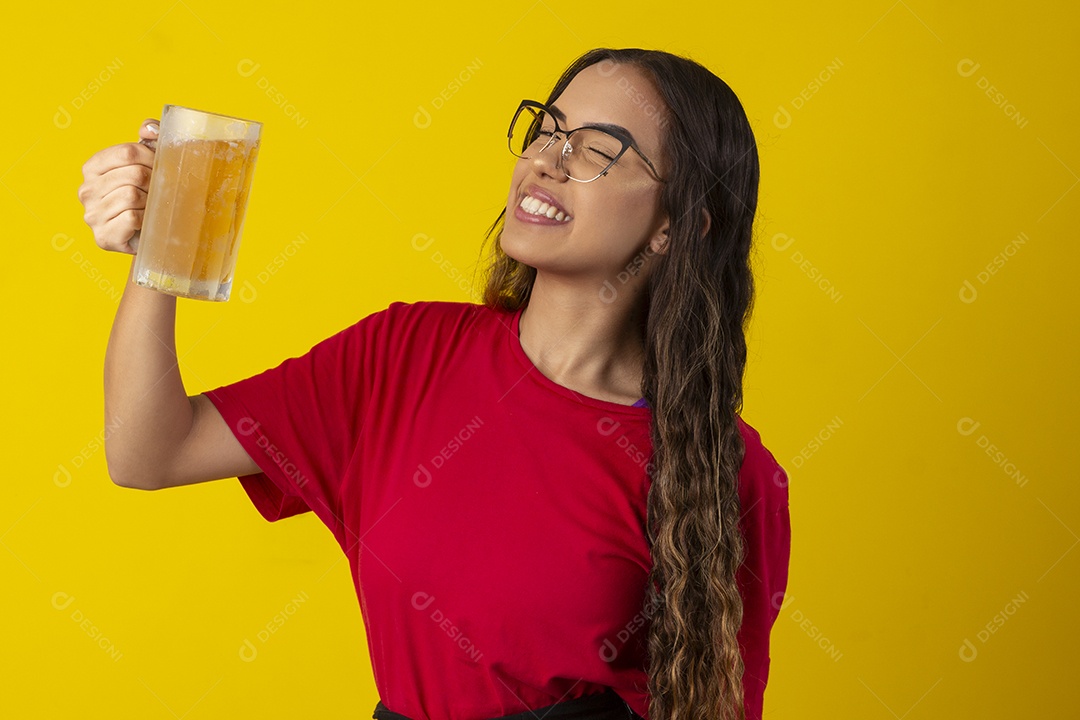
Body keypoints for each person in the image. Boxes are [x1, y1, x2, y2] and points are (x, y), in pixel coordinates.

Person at [78, 47, 790, 720]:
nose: (547, 161)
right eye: (548, 130)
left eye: (598, 149)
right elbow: (148, 452)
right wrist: (159, 248)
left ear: (676, 226)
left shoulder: (727, 471)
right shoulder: (404, 354)